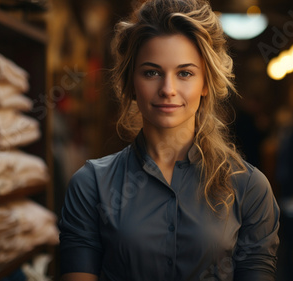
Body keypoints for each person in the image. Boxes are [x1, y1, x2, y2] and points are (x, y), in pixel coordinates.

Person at [58, 0, 280, 280]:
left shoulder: (250, 188)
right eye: (151, 72)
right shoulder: (90, 185)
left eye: (185, 73)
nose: (168, 90)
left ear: (206, 84)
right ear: (130, 82)